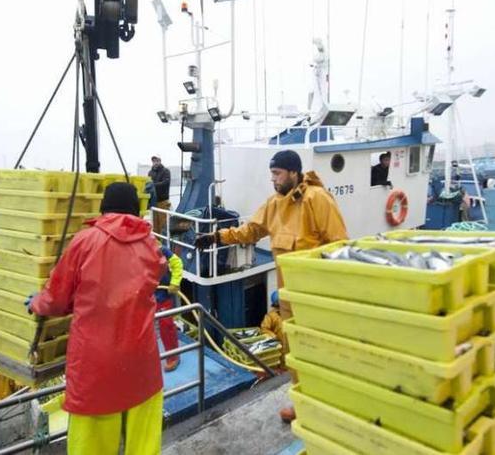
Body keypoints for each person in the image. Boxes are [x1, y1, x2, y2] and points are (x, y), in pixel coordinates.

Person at [194, 149, 348, 423]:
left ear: (293, 172)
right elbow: (250, 231)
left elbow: (338, 246)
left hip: (316, 297)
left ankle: (329, 406)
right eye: (272, 175)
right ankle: (303, 405)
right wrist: (216, 236)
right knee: (295, 355)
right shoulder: (274, 205)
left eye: (277, 174)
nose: (273, 179)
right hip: (290, 299)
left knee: (320, 353)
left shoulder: (317, 199)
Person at [28, 182, 166, 455]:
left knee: (92, 445)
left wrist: (36, 302)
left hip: (96, 368)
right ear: (135, 210)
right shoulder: (151, 244)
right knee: (144, 445)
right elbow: (156, 274)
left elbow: (57, 299)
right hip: (142, 362)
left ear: (103, 208)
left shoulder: (85, 241)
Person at [157, 243, 183, 372]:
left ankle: (173, 357)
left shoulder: (159, 249)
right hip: (144, 295)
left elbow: (177, 263)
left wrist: (174, 283)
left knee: (166, 325)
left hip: (162, 294)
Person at [148, 156, 172, 233]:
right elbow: (148, 183)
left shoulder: (166, 171)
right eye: (154, 161)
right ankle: (157, 241)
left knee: (163, 223)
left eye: (157, 160)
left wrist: (153, 185)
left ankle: (164, 241)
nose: (155, 162)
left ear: (160, 161)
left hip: (163, 201)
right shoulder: (150, 172)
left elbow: (165, 183)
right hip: (154, 202)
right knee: (155, 224)